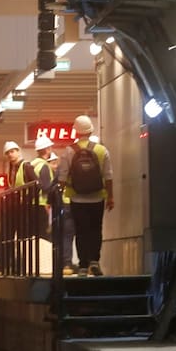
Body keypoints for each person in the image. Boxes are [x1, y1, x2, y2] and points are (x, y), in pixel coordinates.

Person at [55, 115, 114, 277]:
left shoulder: (69, 151)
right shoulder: (102, 150)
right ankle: (94, 261)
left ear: (76, 131)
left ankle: (82, 265)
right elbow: (108, 176)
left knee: (81, 231)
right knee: (96, 229)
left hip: (76, 197)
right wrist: (110, 197)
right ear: (91, 130)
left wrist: (58, 196)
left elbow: (62, 177)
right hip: (97, 196)